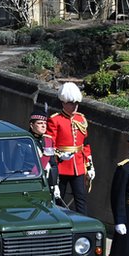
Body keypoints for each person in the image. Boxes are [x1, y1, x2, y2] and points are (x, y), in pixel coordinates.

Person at [46, 82, 93, 215]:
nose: (74, 106)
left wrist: (89, 165)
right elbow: (50, 145)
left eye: (76, 103)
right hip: (61, 165)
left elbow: (86, 144)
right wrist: (59, 156)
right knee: (58, 198)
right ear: (63, 103)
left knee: (81, 198)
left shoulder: (81, 119)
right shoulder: (55, 120)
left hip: (78, 165)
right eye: (71, 103)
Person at [28, 106, 60, 202]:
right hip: (33, 184)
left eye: (45, 123)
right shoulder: (25, 142)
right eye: (39, 123)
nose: (43, 126)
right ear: (31, 125)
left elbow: (53, 165)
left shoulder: (47, 141)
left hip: (48, 184)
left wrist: (55, 185)